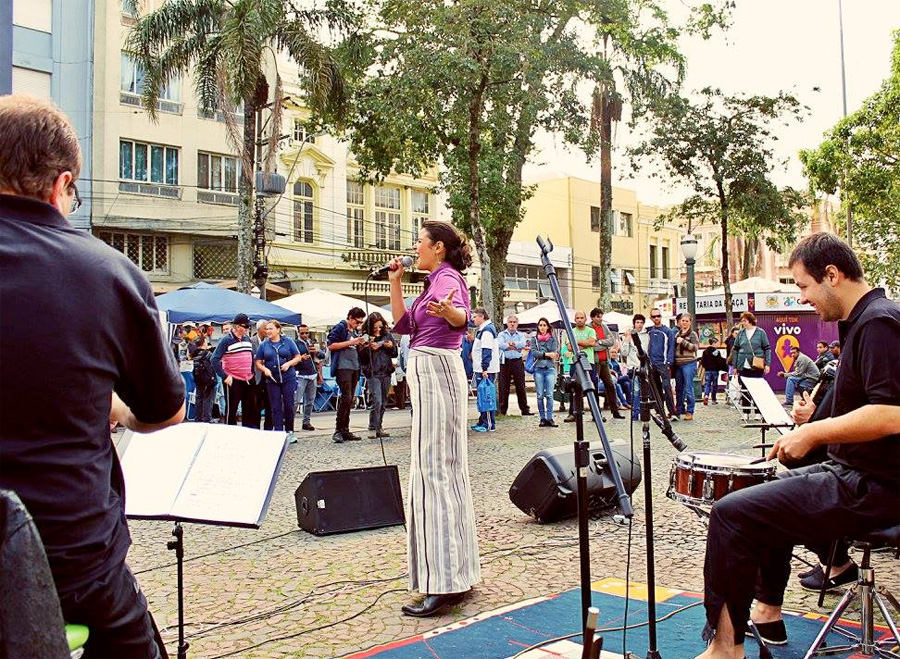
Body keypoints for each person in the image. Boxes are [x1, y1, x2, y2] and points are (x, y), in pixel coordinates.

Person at [0, 93, 185, 657]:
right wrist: (117, 410)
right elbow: (164, 410)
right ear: (61, 184)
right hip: (69, 564)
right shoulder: (105, 272)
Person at [695, 232, 900, 658]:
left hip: (876, 487)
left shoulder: (879, 322)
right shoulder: (868, 320)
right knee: (760, 497)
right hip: (859, 476)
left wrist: (811, 433)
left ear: (832, 274)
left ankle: (725, 650)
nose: (804, 298)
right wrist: (814, 422)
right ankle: (767, 615)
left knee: (731, 513)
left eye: (804, 286)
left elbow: (892, 413)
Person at [386, 220, 481, 617]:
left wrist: (452, 314)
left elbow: (460, 316)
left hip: (436, 371)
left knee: (433, 472)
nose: (415, 247)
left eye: (420, 242)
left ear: (438, 247)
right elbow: (402, 325)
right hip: (434, 371)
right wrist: (396, 281)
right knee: (444, 471)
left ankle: (443, 583)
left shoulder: (446, 280)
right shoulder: (434, 283)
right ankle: (456, 575)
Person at [254, 320, 301, 441]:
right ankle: (279, 432)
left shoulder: (288, 342)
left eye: (271, 329)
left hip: (288, 378)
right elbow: (258, 362)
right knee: (275, 406)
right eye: (267, 329)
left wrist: (289, 364)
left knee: (289, 405)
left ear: (278, 330)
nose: (268, 331)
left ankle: (290, 431)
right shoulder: (264, 345)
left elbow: (298, 357)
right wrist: (264, 369)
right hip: (272, 379)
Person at [327, 307, 367, 443]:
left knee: (350, 399)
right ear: (350, 317)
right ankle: (338, 430)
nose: (358, 324)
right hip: (343, 367)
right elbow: (331, 345)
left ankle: (345, 429)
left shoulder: (354, 331)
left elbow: (355, 347)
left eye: (360, 322)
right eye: (357, 321)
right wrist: (352, 342)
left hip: (354, 367)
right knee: (346, 397)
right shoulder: (340, 327)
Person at [212, 313, 257, 427]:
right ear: (237, 327)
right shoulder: (226, 340)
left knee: (249, 408)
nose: (248, 329)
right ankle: (230, 434)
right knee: (231, 409)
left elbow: (251, 356)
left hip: (248, 378)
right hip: (233, 379)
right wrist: (225, 376)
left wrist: (252, 372)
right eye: (246, 326)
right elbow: (214, 359)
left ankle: (247, 432)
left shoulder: (247, 339)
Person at [729, 311, 771, 421]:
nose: (743, 323)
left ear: (750, 321)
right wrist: (735, 366)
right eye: (742, 321)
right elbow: (736, 349)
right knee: (744, 389)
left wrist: (768, 364)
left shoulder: (760, 332)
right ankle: (746, 412)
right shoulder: (741, 333)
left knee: (757, 389)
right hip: (743, 365)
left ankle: (758, 412)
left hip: (756, 364)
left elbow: (767, 348)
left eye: (745, 321)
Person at [361, 312, 397, 439]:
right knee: (377, 400)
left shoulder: (387, 335)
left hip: (386, 371)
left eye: (380, 326)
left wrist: (390, 346)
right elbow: (362, 357)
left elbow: (395, 354)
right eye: (375, 327)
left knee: (383, 400)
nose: (378, 329)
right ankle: (377, 428)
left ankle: (375, 424)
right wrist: (368, 348)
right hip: (373, 372)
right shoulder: (365, 336)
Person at [563, 310, 600, 422]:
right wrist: (584, 343)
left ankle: (596, 414)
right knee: (574, 387)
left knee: (593, 387)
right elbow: (569, 347)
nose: (579, 320)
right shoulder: (570, 331)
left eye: (581, 318)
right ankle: (573, 413)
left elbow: (592, 343)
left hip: (589, 362)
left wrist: (577, 343)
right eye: (577, 318)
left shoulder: (591, 330)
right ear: (575, 320)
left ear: (585, 319)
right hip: (574, 362)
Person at [589, 308, 625, 418]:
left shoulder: (604, 327)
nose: (600, 319)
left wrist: (600, 342)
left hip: (605, 361)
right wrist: (603, 344)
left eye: (601, 316)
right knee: (594, 387)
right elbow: (592, 345)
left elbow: (612, 341)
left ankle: (615, 410)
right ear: (592, 317)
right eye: (598, 317)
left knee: (610, 385)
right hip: (595, 362)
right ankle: (596, 414)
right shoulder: (589, 329)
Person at [497, 316, 533, 416]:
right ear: (507, 323)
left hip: (517, 362)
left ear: (517, 324)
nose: (512, 324)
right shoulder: (501, 334)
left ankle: (525, 410)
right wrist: (515, 347)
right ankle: (503, 410)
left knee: (520, 386)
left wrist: (511, 344)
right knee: (504, 387)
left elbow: (522, 344)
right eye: (510, 322)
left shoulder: (521, 335)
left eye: (514, 322)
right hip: (505, 362)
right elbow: (500, 345)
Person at [471, 308, 500, 432]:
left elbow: (486, 350)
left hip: (485, 369)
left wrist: (484, 368)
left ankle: (488, 423)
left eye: (475, 316)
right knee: (482, 396)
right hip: (481, 368)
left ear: (482, 316)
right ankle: (482, 420)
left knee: (486, 395)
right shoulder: (483, 330)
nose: (473, 319)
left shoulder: (487, 331)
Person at [647, 310, 678, 419]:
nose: (656, 318)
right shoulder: (649, 331)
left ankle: (672, 412)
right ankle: (659, 411)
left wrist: (669, 362)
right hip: (652, 364)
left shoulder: (668, 331)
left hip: (663, 364)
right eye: (654, 316)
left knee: (667, 387)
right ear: (651, 318)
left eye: (658, 316)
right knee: (656, 389)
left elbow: (671, 347)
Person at [530, 318, 559, 427]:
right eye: (540, 325)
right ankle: (542, 418)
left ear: (547, 327)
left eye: (544, 325)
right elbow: (534, 353)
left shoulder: (553, 339)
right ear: (538, 327)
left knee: (549, 395)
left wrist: (544, 353)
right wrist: (547, 354)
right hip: (538, 369)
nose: (542, 327)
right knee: (540, 395)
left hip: (550, 369)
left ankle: (550, 418)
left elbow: (554, 351)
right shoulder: (534, 339)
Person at [620, 313, 648, 420]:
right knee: (635, 391)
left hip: (644, 367)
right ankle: (635, 414)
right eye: (637, 322)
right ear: (634, 323)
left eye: (641, 322)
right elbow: (624, 352)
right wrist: (627, 340)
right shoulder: (629, 336)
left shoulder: (647, 335)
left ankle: (644, 413)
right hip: (634, 368)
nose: (639, 325)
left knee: (644, 392)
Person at [295, 324, 323, 431]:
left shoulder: (311, 343)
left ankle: (306, 421)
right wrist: (300, 358)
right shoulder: (295, 343)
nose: (305, 335)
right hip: (301, 374)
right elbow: (292, 357)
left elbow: (322, 356)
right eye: (302, 333)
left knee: (310, 400)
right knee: (296, 400)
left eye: (307, 332)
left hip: (312, 374)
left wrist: (316, 351)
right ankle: (289, 422)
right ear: (298, 333)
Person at [673, 312, 700, 420]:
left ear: (690, 322)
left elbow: (695, 347)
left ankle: (690, 411)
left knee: (689, 388)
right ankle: (678, 410)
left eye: (686, 321)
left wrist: (683, 342)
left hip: (689, 363)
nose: (684, 323)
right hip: (678, 364)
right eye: (683, 320)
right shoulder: (677, 334)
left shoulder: (692, 334)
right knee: (679, 388)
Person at [248, 319, 270, 430]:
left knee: (269, 404)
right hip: (255, 377)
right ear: (259, 329)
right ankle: (255, 428)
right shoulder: (251, 342)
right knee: (255, 406)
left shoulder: (270, 341)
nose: (267, 331)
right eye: (265, 328)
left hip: (268, 377)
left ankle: (268, 428)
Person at [191, 334, 217, 422]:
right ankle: (207, 419)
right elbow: (215, 360)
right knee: (208, 399)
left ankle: (198, 418)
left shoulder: (194, 354)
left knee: (199, 398)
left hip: (198, 379)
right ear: (203, 343)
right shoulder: (207, 353)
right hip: (208, 379)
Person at [699, 339, 727, 405]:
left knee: (707, 384)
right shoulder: (717, 352)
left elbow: (703, 362)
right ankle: (713, 399)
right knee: (714, 385)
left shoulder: (705, 351)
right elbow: (720, 361)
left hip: (708, 370)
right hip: (715, 370)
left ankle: (706, 395)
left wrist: (706, 367)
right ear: (713, 343)